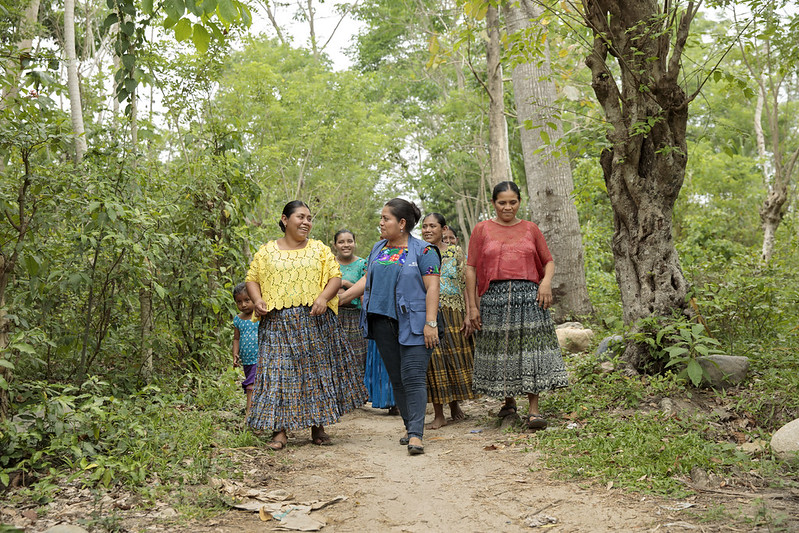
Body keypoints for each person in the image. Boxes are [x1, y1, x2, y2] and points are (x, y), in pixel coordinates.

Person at [245, 201, 367, 450]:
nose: (306, 222)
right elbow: (252, 279)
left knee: (315, 374)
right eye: (300, 217)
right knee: (278, 374)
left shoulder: (319, 249)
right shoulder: (267, 251)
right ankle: (279, 431)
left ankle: (318, 428)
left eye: (309, 218)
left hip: (314, 319)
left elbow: (335, 277)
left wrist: (323, 298)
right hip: (277, 323)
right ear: (284, 219)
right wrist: (257, 300)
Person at [465, 181, 568, 430]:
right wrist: (472, 307)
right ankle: (508, 402)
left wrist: (545, 283)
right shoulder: (482, 230)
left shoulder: (530, 229)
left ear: (520, 202)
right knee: (502, 350)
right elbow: (471, 268)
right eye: (502, 202)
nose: (507, 207)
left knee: (531, 351)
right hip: (494, 298)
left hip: (530, 297)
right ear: (493, 203)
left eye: (513, 202)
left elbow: (549, 261)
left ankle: (533, 411)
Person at [341, 198, 441, 455]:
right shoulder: (378, 248)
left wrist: (431, 323)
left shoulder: (425, 251)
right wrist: (342, 298)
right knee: (397, 378)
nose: (381, 222)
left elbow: (432, 287)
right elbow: (367, 278)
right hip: (381, 321)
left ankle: (417, 435)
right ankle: (410, 427)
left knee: (413, 376)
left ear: (403, 223)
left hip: (416, 322)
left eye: (386, 218)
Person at [333, 229, 399, 416]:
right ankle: (342, 398)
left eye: (349, 241)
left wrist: (345, 284)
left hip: (356, 315)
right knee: (338, 357)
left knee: (359, 357)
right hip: (335, 315)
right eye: (341, 242)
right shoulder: (329, 263)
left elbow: (368, 288)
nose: (345, 245)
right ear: (335, 245)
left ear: (355, 242)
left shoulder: (364, 263)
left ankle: (361, 395)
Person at [420, 213, 476, 429]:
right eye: (424, 226)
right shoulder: (419, 252)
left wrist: (469, 312)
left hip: (454, 313)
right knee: (434, 362)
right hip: (430, 314)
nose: (427, 230)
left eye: (432, 226)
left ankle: (455, 407)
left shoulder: (455, 252)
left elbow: (465, 283)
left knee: (454, 359)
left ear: (443, 230)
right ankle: (439, 414)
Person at [232, 282, 259, 419]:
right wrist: (235, 354)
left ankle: (250, 415)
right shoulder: (238, 319)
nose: (243, 305)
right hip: (247, 360)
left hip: (260, 357)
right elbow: (236, 338)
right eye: (239, 302)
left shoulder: (259, 315)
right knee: (252, 384)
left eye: (247, 300)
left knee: (251, 385)